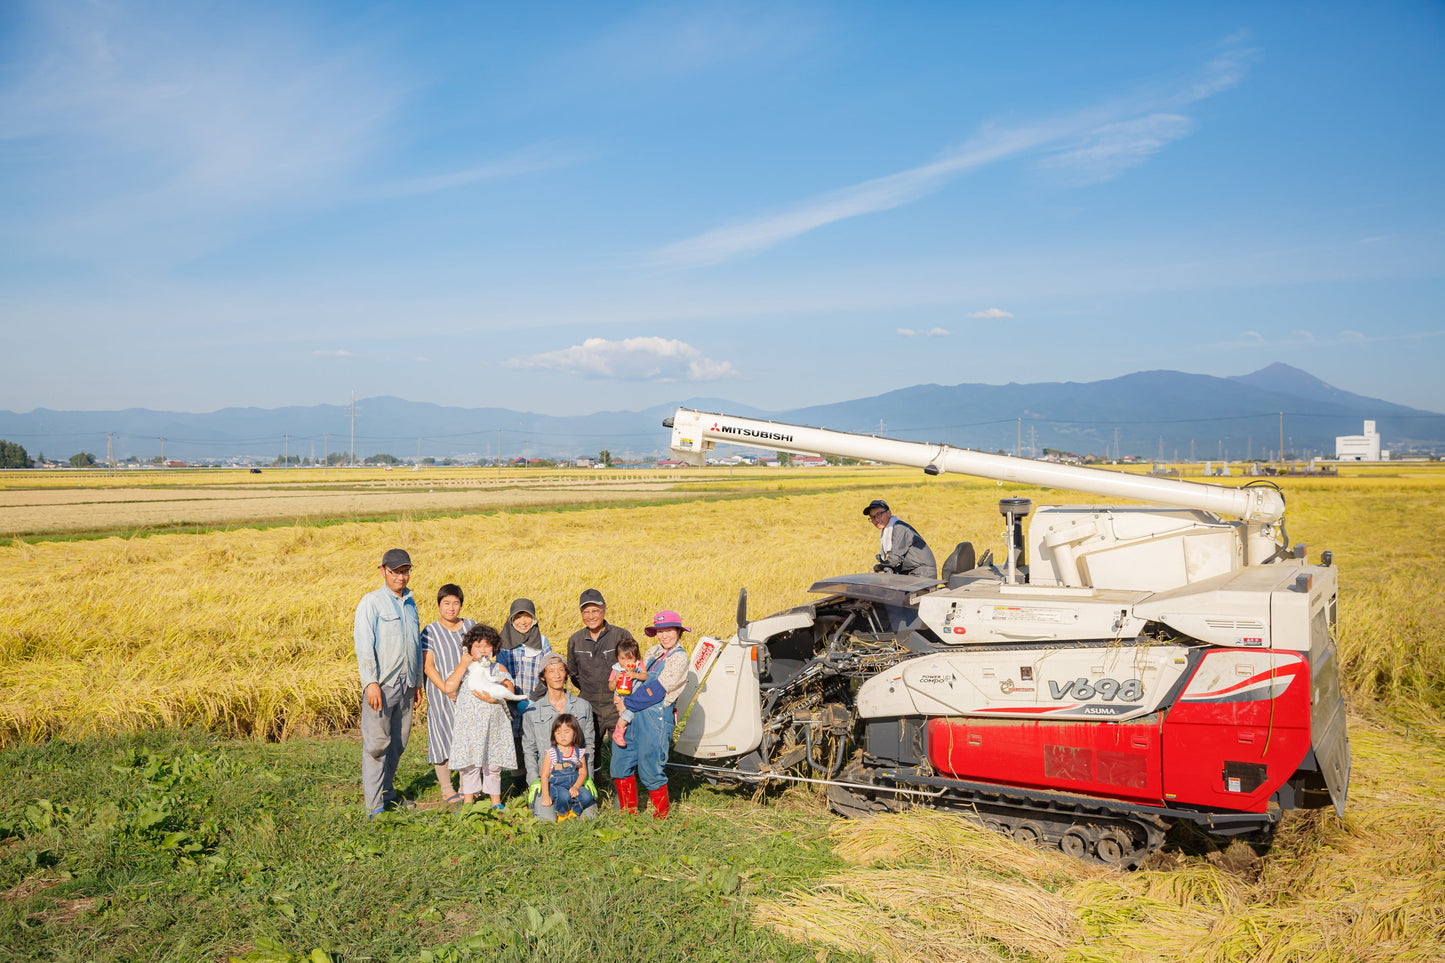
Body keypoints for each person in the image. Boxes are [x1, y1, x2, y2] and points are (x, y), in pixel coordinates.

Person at [354, 547, 423, 817]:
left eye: (405, 571)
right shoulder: (371, 603)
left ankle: (387, 792)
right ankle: (374, 807)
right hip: (381, 686)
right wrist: (370, 682)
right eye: (395, 572)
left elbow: (415, 645)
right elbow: (364, 645)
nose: (401, 577)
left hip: (406, 685)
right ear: (383, 571)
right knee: (377, 745)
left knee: (398, 742)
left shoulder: (410, 603)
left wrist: (416, 682)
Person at [610, 610, 691, 819]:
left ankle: (661, 818)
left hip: (655, 718)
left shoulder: (680, 657)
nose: (665, 636)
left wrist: (625, 705)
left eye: (669, 631)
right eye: (660, 631)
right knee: (620, 761)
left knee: (650, 768)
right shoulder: (653, 651)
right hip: (634, 715)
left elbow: (656, 691)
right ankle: (629, 815)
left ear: (679, 632)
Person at [444, 624, 518, 808]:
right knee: (470, 764)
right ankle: (468, 804)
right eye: (478, 646)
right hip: (469, 725)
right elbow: (449, 687)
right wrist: (463, 664)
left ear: (494, 648)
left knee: (493, 764)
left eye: (487, 646)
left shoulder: (497, 667)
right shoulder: (466, 669)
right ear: (469, 649)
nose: (483, 650)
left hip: (494, 724)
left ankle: (495, 802)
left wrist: (493, 699)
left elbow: (510, 689)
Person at [521, 653, 599, 823]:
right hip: (548, 780)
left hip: (576, 779)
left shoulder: (583, 706)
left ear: (566, 674)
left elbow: (589, 746)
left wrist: (587, 779)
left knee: (588, 820)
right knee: (547, 821)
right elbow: (529, 750)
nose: (556, 675)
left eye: (560, 670)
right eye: (551, 671)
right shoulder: (533, 711)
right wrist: (534, 781)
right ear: (543, 676)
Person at [420, 583, 475, 804]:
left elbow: (481, 654)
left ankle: (465, 785)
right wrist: (446, 689)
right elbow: (428, 665)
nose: (451, 608)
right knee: (442, 738)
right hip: (440, 693)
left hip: (469, 693)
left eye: (455, 603)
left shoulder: (471, 626)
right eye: (446, 603)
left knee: (466, 737)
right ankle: (446, 788)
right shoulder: (430, 631)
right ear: (438, 605)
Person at [565, 588, 636, 758]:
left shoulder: (620, 635)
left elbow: (634, 665)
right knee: (588, 750)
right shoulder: (575, 640)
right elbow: (573, 673)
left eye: (595, 610)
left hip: (617, 704)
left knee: (622, 750)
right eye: (586, 611)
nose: (591, 616)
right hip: (589, 705)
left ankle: (620, 783)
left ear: (604, 609)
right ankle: (593, 783)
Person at [539, 714, 595, 822]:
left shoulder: (579, 752)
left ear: (574, 732)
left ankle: (574, 812)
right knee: (564, 796)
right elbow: (544, 775)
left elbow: (583, 773)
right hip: (557, 786)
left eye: (567, 732)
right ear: (553, 735)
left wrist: (576, 787)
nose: (562, 736)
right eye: (558, 732)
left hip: (573, 784)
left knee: (587, 796)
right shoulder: (551, 753)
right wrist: (545, 795)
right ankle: (562, 814)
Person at [864, 499, 937, 579]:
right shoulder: (888, 530)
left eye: (879, 515)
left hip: (922, 574)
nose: (876, 520)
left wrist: (876, 568)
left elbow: (893, 560)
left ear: (889, 513)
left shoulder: (900, 528)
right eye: (872, 517)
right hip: (909, 574)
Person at [608, 637, 646, 748]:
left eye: (629, 659)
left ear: (636, 658)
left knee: (629, 713)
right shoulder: (616, 669)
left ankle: (622, 730)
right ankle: (619, 731)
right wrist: (615, 680)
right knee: (626, 714)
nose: (625, 662)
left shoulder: (639, 666)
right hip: (621, 696)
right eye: (622, 659)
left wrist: (635, 675)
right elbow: (610, 687)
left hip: (635, 696)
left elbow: (645, 676)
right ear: (617, 658)